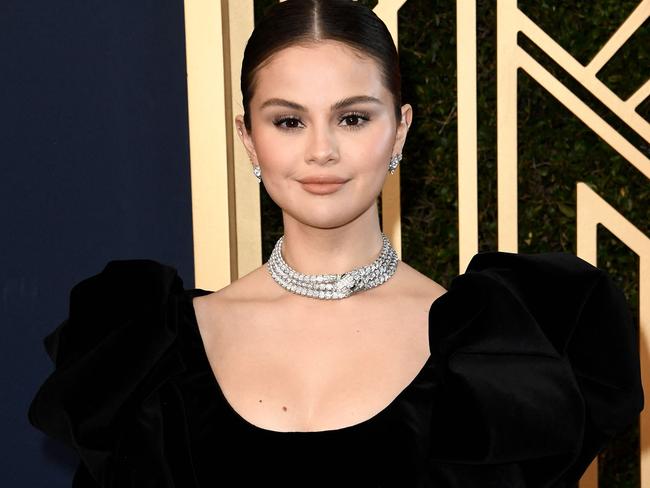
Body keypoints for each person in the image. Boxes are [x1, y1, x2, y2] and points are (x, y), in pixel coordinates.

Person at [28, 0, 643, 486]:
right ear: (248, 138)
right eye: (288, 120)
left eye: (352, 117)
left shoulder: (500, 351)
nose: (321, 150)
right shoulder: (150, 356)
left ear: (399, 128)